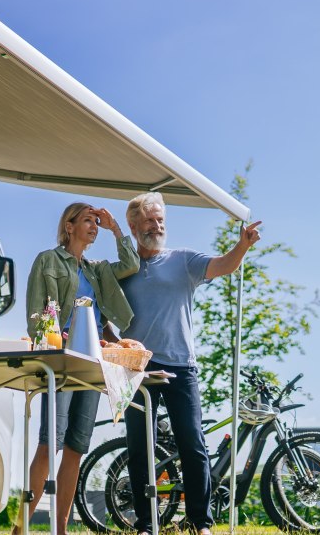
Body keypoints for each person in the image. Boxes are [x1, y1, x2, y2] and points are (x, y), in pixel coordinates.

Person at [119, 192, 261, 535]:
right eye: (150, 220)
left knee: (192, 443)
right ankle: (145, 524)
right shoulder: (123, 269)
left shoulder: (183, 260)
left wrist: (242, 246)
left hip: (181, 366)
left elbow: (224, 265)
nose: (157, 225)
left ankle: (201, 523)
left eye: (161, 220)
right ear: (134, 225)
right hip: (135, 369)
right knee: (140, 448)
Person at [18, 202, 138, 535]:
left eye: (96, 223)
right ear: (69, 227)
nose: (93, 227)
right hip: (61, 360)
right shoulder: (48, 260)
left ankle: (60, 530)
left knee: (76, 448)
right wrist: (58, 335)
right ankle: (21, 527)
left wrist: (116, 229)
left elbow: (131, 264)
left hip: (94, 362)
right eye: (88, 220)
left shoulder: (97, 269)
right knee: (49, 443)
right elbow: (36, 314)